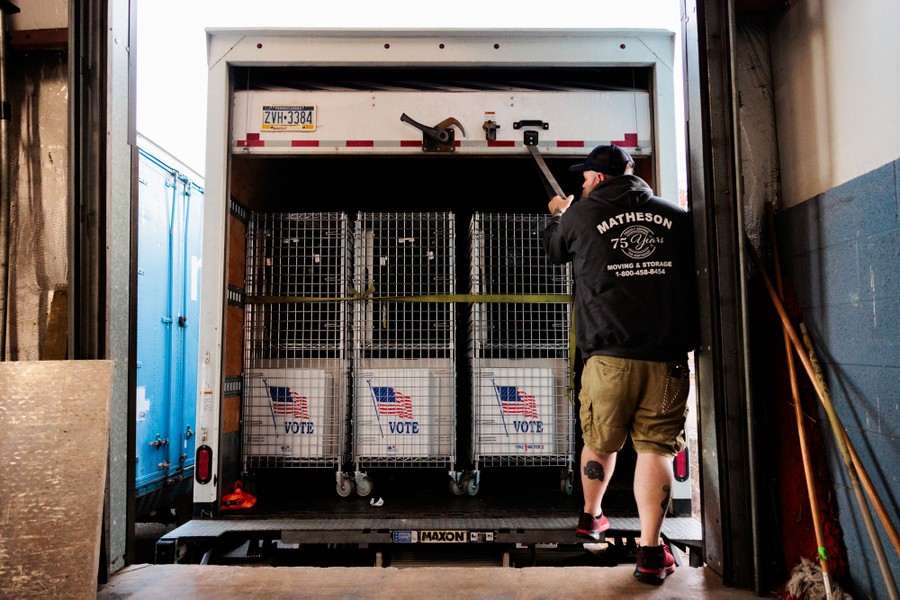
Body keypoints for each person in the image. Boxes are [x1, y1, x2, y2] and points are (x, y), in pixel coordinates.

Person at [542, 144, 698, 584]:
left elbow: (555, 252)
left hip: (608, 358)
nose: (583, 183)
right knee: (655, 448)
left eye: (586, 176)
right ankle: (651, 552)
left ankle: (592, 516)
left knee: (601, 441)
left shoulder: (580, 215)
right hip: (665, 359)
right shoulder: (676, 216)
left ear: (599, 177)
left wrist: (558, 214)